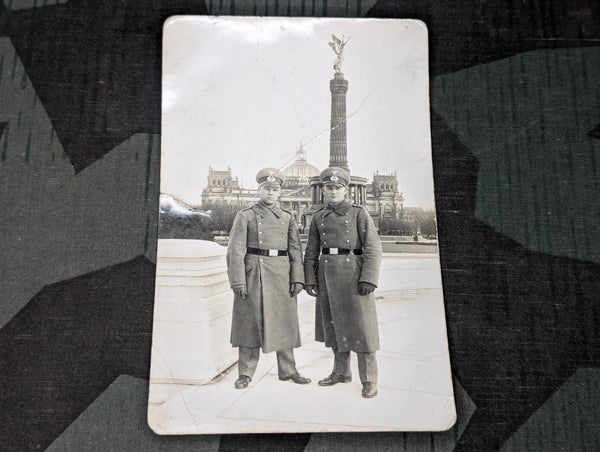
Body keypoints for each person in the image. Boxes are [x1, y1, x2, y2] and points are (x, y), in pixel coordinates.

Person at [226, 168, 311, 389]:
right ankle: (245, 373)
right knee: (249, 323)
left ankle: (288, 370)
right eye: (267, 189)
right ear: (259, 190)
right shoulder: (245, 215)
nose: (271, 193)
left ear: (280, 192)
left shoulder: (287, 217)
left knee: (285, 321)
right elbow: (235, 251)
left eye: (275, 189)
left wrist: (298, 279)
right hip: (254, 272)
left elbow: (295, 251)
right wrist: (238, 280)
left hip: (281, 274)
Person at [304, 167, 382, 398]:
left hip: (354, 275)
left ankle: (369, 379)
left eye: (338, 187)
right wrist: (310, 279)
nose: (333, 191)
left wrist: (368, 277)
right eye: (329, 187)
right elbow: (311, 252)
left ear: (345, 190)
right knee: (334, 325)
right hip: (327, 275)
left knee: (362, 328)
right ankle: (340, 372)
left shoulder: (359, 213)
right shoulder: (318, 217)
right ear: (324, 190)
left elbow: (373, 247)